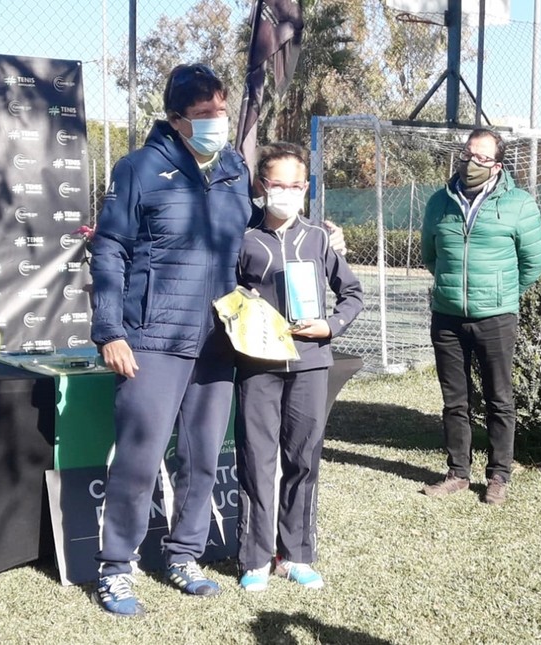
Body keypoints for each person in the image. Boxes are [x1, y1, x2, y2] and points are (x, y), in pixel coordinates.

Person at [88, 63, 252, 617]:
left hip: (217, 343)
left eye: (222, 111)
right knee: (139, 460)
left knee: (203, 458)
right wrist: (110, 330)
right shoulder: (138, 168)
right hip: (152, 338)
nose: (218, 122)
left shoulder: (235, 168)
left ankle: (184, 554)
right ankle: (115, 568)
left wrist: (318, 233)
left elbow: (249, 242)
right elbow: (109, 248)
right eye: (205, 115)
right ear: (176, 118)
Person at [233, 142, 363, 592]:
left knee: (302, 458)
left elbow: (353, 294)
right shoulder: (242, 236)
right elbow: (224, 294)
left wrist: (330, 326)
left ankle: (297, 555)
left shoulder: (320, 237)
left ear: (305, 188)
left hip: (310, 364)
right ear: (261, 185)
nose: (285, 192)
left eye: (294, 185)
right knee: (256, 458)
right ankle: (255, 557)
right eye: (276, 184)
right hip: (257, 365)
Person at [420, 127, 541, 505]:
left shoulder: (519, 204)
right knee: (454, 400)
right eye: (467, 154)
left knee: (499, 399)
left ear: (497, 165)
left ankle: (499, 476)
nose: (471, 162)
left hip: (496, 318)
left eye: (481, 158)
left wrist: (501, 294)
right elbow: (431, 255)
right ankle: (458, 472)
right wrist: (453, 289)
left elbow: (533, 262)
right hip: (447, 317)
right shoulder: (438, 202)